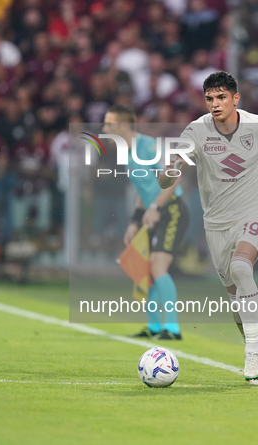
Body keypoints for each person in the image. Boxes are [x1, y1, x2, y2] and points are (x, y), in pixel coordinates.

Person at [160, 71, 258, 384]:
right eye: (209, 99)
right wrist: (169, 170)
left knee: (241, 268)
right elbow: (169, 173)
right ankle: (256, 340)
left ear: (236, 98)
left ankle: (250, 350)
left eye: (221, 97)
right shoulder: (195, 131)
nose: (215, 104)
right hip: (217, 222)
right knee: (235, 298)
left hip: (256, 209)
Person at [102, 105, 189, 340]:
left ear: (123, 126)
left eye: (109, 124)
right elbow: (145, 188)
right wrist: (134, 220)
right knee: (145, 270)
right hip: (153, 213)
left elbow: (175, 178)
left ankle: (172, 329)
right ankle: (153, 327)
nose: (104, 129)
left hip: (171, 212)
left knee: (157, 267)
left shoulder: (147, 146)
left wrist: (155, 207)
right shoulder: (127, 152)